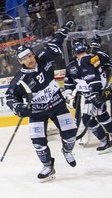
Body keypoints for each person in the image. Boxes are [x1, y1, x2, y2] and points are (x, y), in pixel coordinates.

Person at [5, 20, 78, 182]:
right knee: (38, 142)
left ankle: (67, 151)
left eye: (30, 55)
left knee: (71, 133)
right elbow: (9, 97)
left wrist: (64, 29)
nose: (30, 60)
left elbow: (56, 41)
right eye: (25, 59)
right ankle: (47, 166)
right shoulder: (19, 80)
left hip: (57, 104)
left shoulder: (44, 57)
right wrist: (18, 108)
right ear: (20, 62)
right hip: (37, 112)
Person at [63, 41, 112, 154]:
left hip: (98, 92)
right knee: (92, 118)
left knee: (98, 116)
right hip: (89, 94)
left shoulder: (92, 58)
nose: (82, 55)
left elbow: (95, 75)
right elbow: (68, 84)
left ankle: (110, 136)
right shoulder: (71, 67)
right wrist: (69, 96)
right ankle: (108, 137)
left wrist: (95, 94)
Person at [90, 34, 112, 143]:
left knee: (103, 113)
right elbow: (109, 70)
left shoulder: (90, 55)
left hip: (97, 90)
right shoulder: (102, 54)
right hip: (105, 89)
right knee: (108, 112)